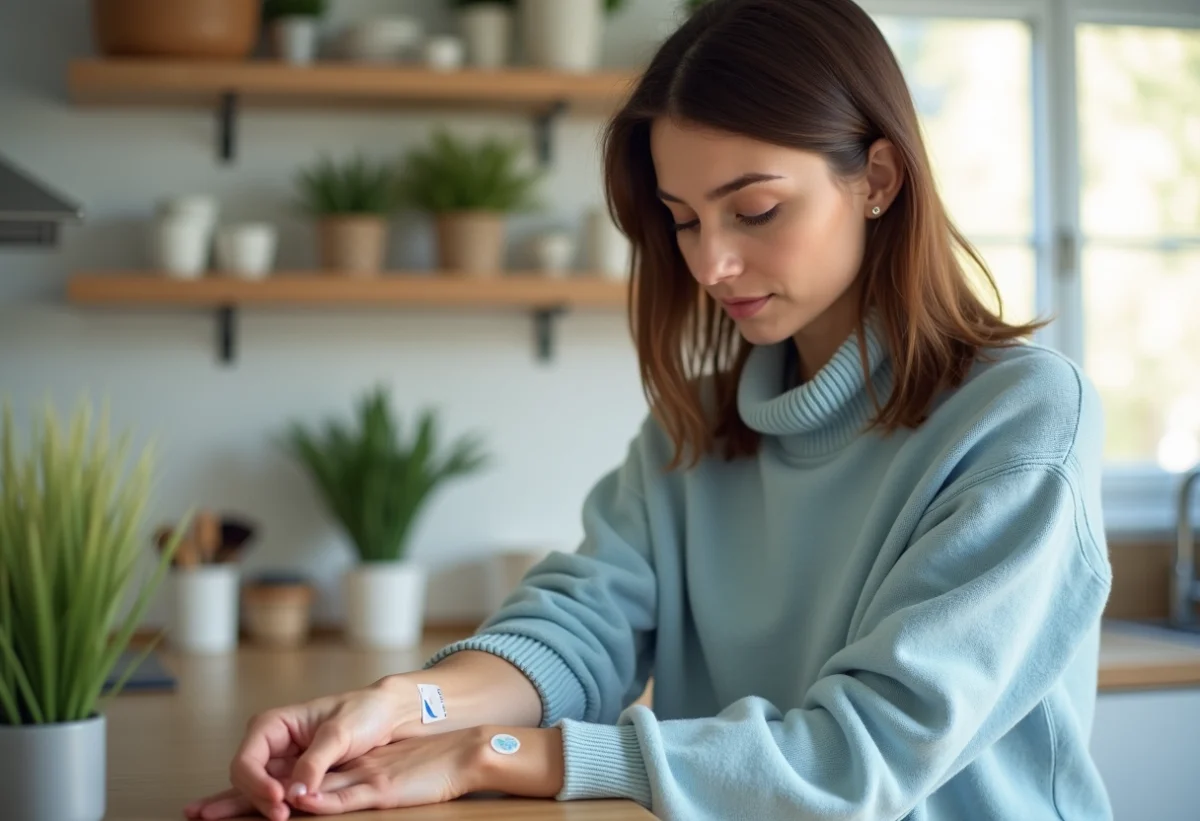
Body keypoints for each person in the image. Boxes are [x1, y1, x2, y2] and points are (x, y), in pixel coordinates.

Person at [185, 0, 1113, 819]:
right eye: (683, 218)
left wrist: (492, 753)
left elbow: (858, 756)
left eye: (754, 210)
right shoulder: (695, 429)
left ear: (877, 178)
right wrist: (405, 706)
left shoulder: (1021, 421)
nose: (710, 263)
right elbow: (577, 629)